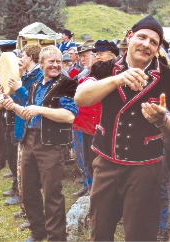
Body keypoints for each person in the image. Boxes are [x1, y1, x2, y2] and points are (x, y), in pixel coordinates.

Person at [74, 16, 170, 241]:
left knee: (140, 234)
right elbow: (81, 98)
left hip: (145, 168)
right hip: (105, 162)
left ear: (157, 49)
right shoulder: (105, 68)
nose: (146, 44)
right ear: (130, 37)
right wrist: (117, 79)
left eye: (153, 42)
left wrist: (163, 121)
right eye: (142, 37)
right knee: (100, 230)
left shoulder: (169, 78)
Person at [0, 45, 78, 241]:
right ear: (42, 63)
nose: (55, 65)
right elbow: (28, 113)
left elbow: (69, 116)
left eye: (58, 61)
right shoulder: (35, 85)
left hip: (52, 145)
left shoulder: (67, 83)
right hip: (30, 140)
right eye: (51, 61)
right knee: (27, 191)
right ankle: (38, 232)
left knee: (52, 195)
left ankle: (56, 237)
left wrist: (40, 110)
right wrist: (14, 106)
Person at [3, 43, 44, 209]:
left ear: (31, 57)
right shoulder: (28, 75)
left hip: (31, 128)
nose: (20, 59)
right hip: (22, 125)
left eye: (23, 56)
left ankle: (30, 208)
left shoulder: (38, 76)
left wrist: (18, 89)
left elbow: (33, 103)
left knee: (30, 176)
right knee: (22, 172)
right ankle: (26, 206)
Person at [70, 40, 98, 198]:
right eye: (80, 56)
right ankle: (87, 185)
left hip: (92, 124)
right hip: (79, 121)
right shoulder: (80, 73)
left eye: (85, 55)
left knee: (92, 159)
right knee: (81, 157)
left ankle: (93, 189)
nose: (82, 59)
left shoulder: (98, 74)